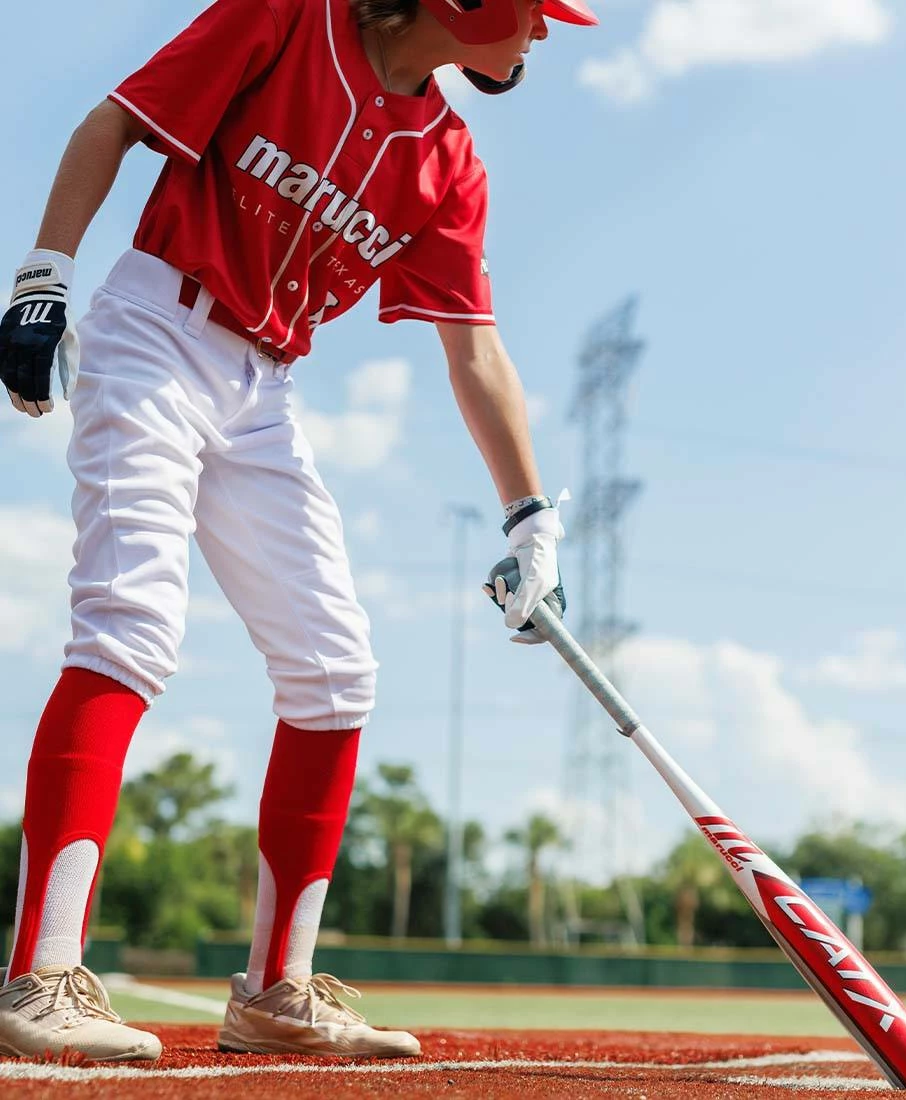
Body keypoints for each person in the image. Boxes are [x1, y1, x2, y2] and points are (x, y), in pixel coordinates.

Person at [0, 0, 591, 1064]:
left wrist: (530, 514)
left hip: (261, 385)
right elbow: (113, 123)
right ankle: (38, 977)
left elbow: (476, 354)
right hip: (154, 330)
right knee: (130, 624)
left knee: (334, 670)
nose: (542, 34)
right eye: (534, 11)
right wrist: (44, 278)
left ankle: (275, 991)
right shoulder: (286, 16)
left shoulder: (450, 161)